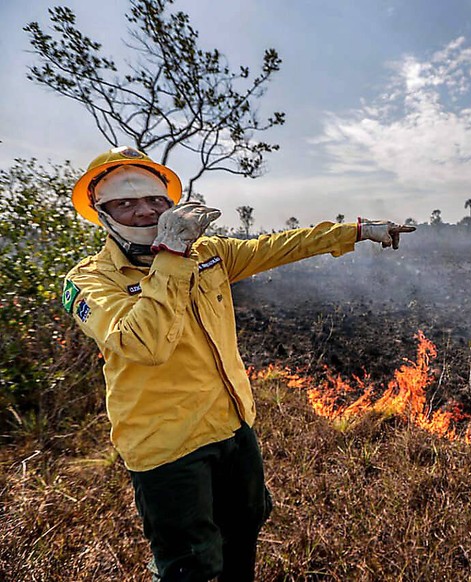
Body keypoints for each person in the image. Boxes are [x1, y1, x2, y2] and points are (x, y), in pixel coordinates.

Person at [62, 145, 415, 581]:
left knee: (244, 531)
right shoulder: (89, 281)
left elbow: (280, 244)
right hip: (166, 446)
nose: (145, 211)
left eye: (155, 199)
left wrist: (356, 231)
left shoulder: (209, 253)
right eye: (126, 202)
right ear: (102, 213)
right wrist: (171, 255)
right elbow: (142, 344)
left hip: (231, 425)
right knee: (191, 565)